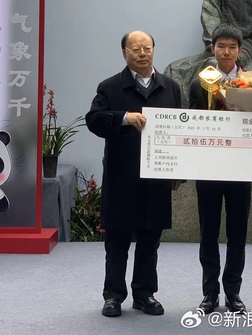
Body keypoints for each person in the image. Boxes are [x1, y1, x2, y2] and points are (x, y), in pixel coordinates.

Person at [86, 31, 183, 318]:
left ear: (154, 50)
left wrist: (178, 173)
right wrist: (123, 118)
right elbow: (93, 120)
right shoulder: (110, 86)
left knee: (150, 240)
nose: (142, 53)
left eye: (147, 48)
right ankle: (113, 295)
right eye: (136, 49)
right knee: (117, 241)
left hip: (157, 177)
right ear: (124, 53)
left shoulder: (170, 87)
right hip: (121, 176)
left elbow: (181, 130)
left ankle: (145, 294)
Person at [188, 24, 251, 314]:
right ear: (213, 49)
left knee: (238, 233)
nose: (226, 51)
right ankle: (210, 293)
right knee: (208, 232)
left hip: (241, 167)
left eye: (232, 47)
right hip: (209, 169)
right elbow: (192, 122)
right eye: (221, 46)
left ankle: (233, 292)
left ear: (240, 50)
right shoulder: (199, 83)